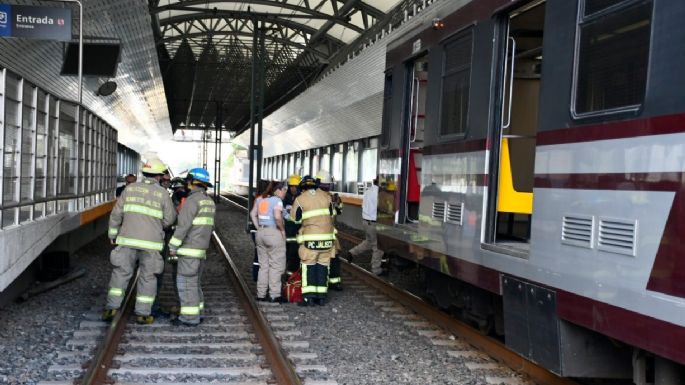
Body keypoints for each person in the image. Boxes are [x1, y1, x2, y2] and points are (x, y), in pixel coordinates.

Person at [103, 158, 176, 324]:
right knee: (148, 277)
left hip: (127, 240)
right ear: (159, 176)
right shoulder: (163, 194)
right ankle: (143, 314)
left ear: (144, 173)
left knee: (120, 274)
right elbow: (170, 219)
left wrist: (113, 235)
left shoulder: (130, 189)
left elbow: (116, 215)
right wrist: (157, 225)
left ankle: (111, 309)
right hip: (151, 244)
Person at [168, 168, 216, 326]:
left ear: (191, 182)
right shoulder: (208, 201)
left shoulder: (192, 201)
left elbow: (183, 226)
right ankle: (199, 312)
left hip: (188, 251)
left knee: (186, 284)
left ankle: (189, 318)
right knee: (195, 284)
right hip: (200, 250)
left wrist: (173, 246)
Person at [291, 172, 336, 306]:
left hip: (310, 241)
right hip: (327, 240)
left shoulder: (300, 199)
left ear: (303, 187)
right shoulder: (326, 197)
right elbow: (332, 215)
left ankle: (309, 298)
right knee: (323, 266)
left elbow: (294, 219)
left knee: (308, 267)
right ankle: (321, 297)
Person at [250, 182, 287, 303]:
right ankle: (274, 295)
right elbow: (277, 217)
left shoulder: (261, 199)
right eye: (284, 191)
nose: (284, 194)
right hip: (273, 233)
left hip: (260, 233)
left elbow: (252, 214)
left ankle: (261, 294)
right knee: (276, 265)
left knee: (263, 266)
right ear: (278, 190)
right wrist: (282, 230)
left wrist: (259, 227)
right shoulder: (277, 201)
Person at [348, 178, 384, 275]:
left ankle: (352, 252)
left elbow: (364, 205)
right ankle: (376, 269)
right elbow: (381, 208)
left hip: (365, 221)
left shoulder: (368, 190)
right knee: (378, 247)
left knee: (369, 242)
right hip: (373, 223)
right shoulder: (379, 194)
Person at [283, 175, 302, 274]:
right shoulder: (285, 197)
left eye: (295, 186)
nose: (292, 188)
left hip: (297, 232)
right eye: (291, 186)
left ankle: (291, 276)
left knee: (294, 256)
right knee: (285, 255)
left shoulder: (302, 198)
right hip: (286, 231)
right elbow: (281, 211)